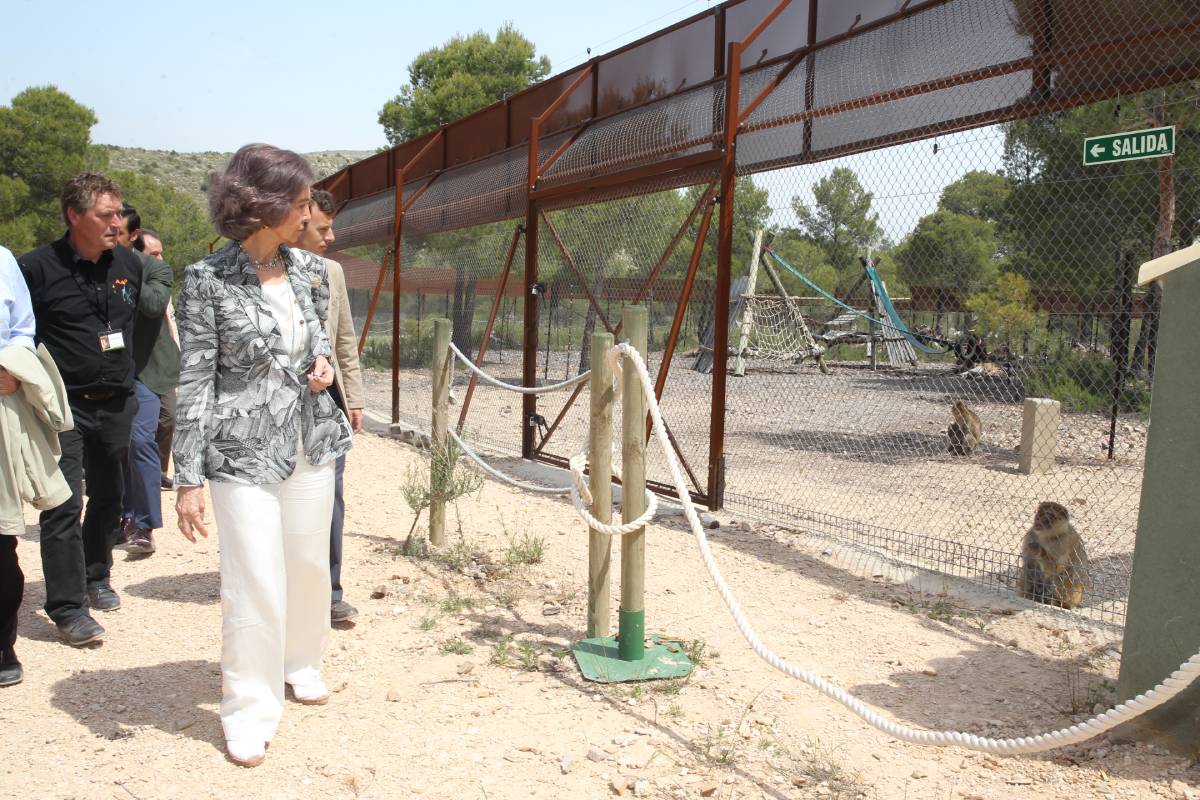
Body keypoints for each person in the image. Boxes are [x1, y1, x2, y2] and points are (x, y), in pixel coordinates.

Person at [173, 143, 352, 767]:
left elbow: (313, 338)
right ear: (265, 205)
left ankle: (301, 661)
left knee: (306, 564)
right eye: (301, 204)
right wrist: (187, 477)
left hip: (310, 442)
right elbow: (195, 379)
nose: (309, 216)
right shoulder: (204, 279)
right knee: (253, 577)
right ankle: (248, 708)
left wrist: (321, 364)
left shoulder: (306, 270)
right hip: (238, 452)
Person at [17, 173, 154, 645]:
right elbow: (17, 332)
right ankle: (68, 607)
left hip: (116, 402)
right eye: (106, 215)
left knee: (111, 496)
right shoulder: (34, 268)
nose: (118, 222)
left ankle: (97, 574)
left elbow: (136, 326)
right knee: (62, 503)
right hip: (62, 407)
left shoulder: (130, 265)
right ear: (75, 216)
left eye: (119, 213)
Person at [289, 189, 365, 624]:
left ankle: (330, 592)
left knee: (330, 495)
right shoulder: (263, 270)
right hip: (279, 406)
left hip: (328, 403)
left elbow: (344, 339)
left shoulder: (332, 272)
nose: (331, 237)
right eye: (323, 228)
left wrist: (352, 398)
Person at [0, 244, 70, 686]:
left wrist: (13, 369)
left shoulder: (2, 260)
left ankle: (2, 642)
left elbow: (22, 329)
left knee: (1, 537)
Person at [115, 210, 177, 556]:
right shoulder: (90, 267)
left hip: (144, 371)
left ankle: (144, 523)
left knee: (141, 440)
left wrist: (125, 269)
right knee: (113, 449)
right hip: (101, 371)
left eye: (117, 231)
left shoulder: (153, 269)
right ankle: (119, 515)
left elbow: (154, 305)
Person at [139, 230, 180, 489]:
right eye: (154, 254)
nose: (161, 258)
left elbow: (171, 322)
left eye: (161, 252)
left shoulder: (162, 286)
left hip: (166, 364)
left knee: (169, 417)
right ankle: (144, 475)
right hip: (141, 366)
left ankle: (158, 470)